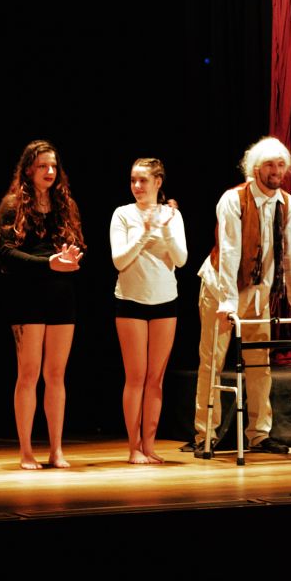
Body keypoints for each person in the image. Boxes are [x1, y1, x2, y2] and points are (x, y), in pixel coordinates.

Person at [184, 136, 291, 455]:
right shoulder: (234, 199)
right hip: (221, 288)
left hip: (259, 293)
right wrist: (228, 301)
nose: (276, 171)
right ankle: (205, 433)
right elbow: (230, 250)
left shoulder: (288, 204)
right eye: (269, 164)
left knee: (259, 362)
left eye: (281, 165)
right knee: (212, 361)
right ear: (255, 168)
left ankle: (259, 433)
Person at [0, 140, 85, 469]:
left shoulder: (65, 204)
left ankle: (56, 449)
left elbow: (76, 245)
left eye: (54, 166)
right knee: (29, 373)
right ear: (29, 169)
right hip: (26, 296)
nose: (49, 171)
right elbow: (3, 252)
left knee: (56, 374)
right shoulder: (12, 204)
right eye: (43, 165)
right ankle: (26, 451)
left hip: (61, 295)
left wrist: (72, 258)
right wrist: (47, 264)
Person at [111, 158, 187, 464]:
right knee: (136, 377)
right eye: (133, 180)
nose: (137, 186)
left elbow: (181, 259)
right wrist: (143, 235)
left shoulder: (172, 215)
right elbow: (119, 260)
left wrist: (165, 230)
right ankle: (134, 447)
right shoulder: (123, 214)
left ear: (158, 182)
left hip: (165, 301)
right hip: (131, 301)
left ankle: (150, 446)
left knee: (156, 379)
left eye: (143, 180)